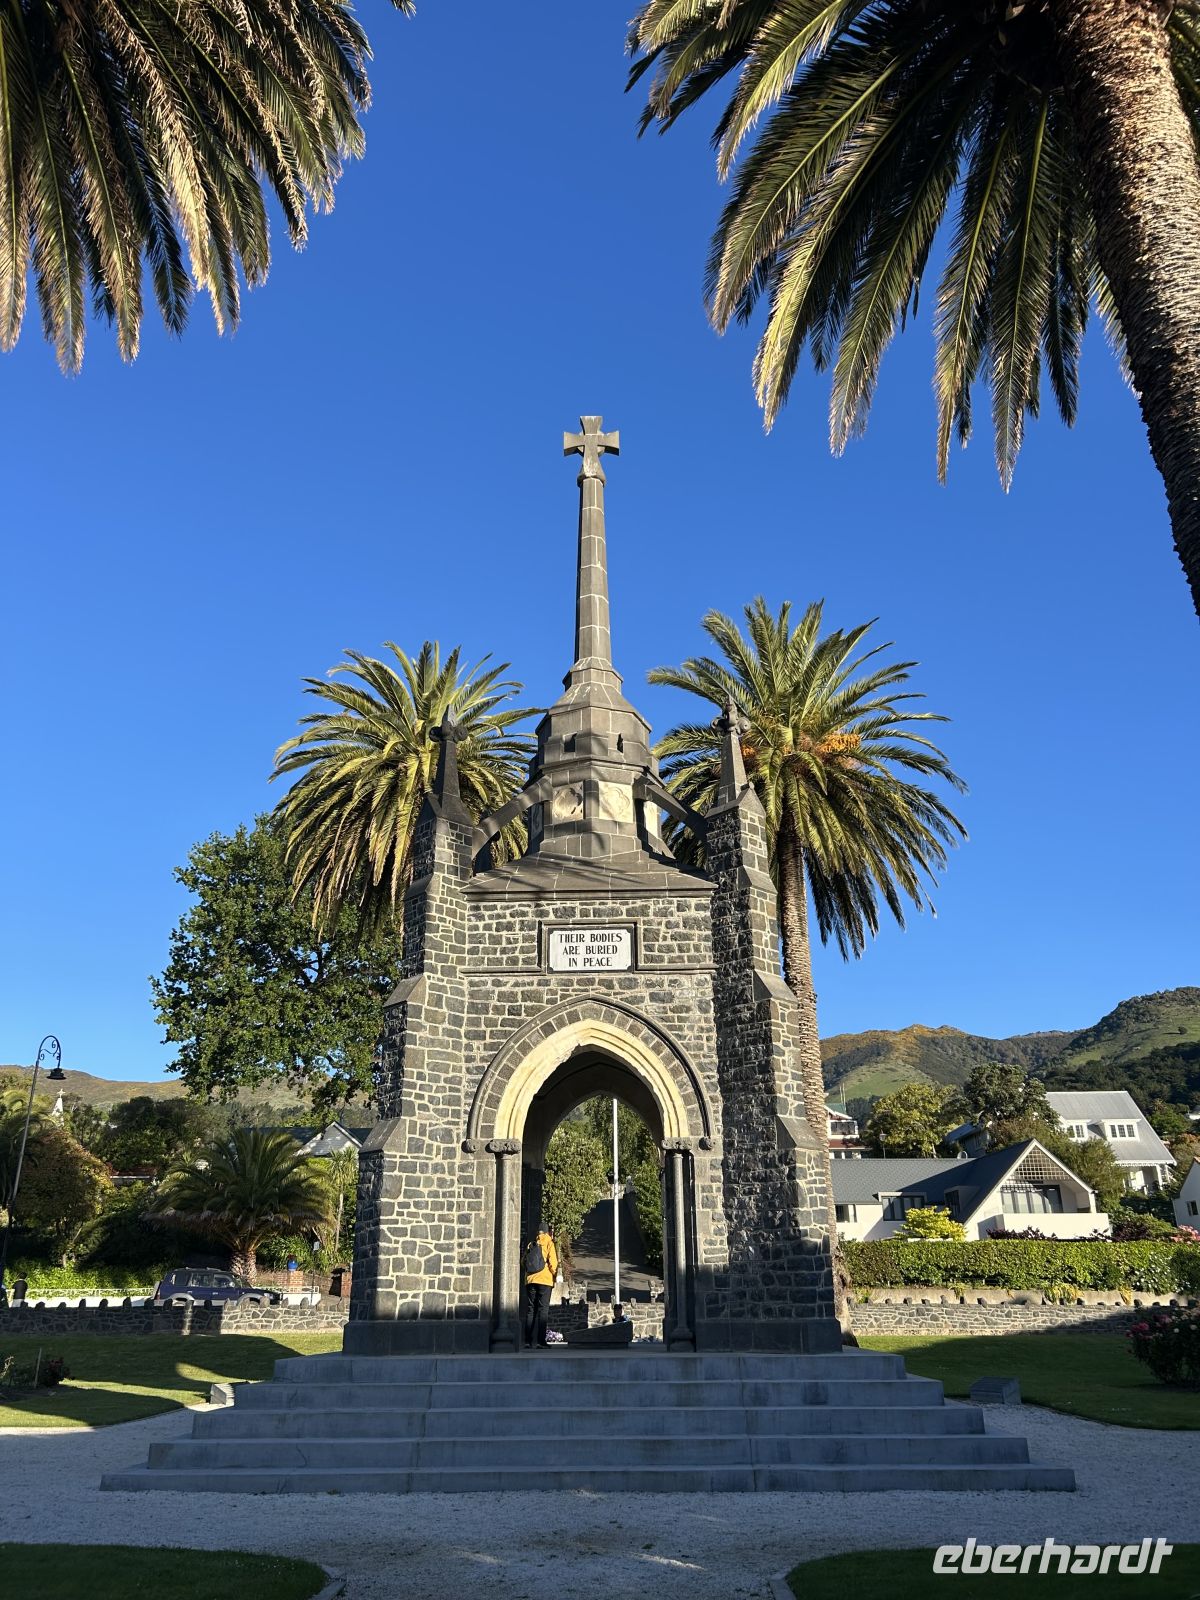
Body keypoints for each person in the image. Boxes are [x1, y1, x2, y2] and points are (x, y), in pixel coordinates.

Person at [522, 1223, 558, 1349]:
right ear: (547, 1232)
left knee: (531, 1309)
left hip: (530, 1280)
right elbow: (553, 1262)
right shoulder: (549, 1243)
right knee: (543, 1310)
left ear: (538, 1232)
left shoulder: (531, 1244)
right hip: (545, 1280)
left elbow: (523, 1262)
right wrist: (554, 1275)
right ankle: (540, 1341)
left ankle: (527, 1340)